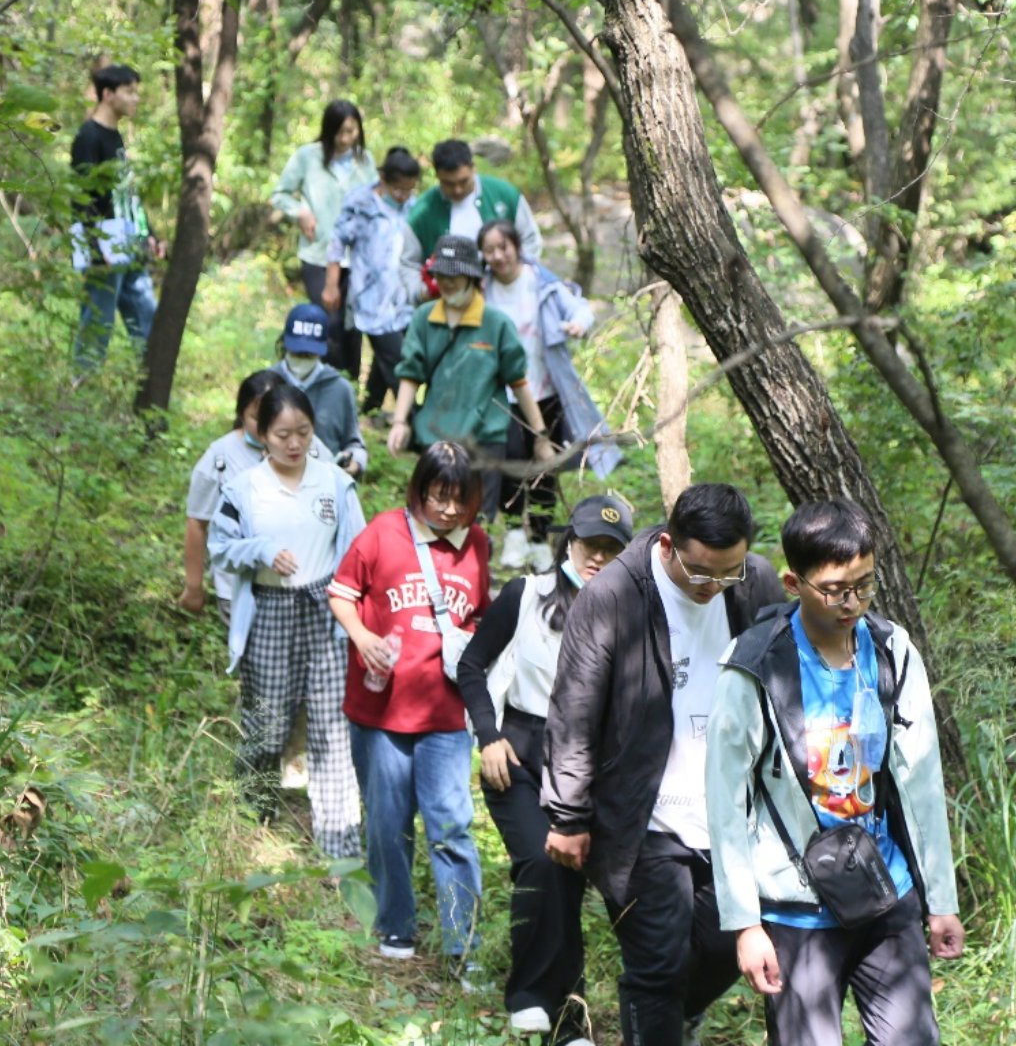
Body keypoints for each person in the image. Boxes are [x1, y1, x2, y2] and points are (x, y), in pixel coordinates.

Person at [705, 500, 963, 1046]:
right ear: (792, 583)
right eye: (834, 590)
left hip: (884, 888)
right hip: (795, 907)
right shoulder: (754, 666)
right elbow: (726, 803)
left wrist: (941, 901)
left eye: (864, 585)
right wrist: (746, 925)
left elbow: (921, 781)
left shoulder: (892, 651)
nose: (852, 603)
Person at [543, 483, 783, 1046]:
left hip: (729, 814)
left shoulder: (753, 582)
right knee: (658, 965)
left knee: (728, 944)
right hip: (641, 816)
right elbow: (575, 707)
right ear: (669, 545)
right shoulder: (614, 595)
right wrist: (569, 814)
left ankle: (674, 1015)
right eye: (701, 573)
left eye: (727, 573)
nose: (713, 587)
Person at [455, 495, 635, 1045]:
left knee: (566, 877)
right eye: (589, 545)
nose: (598, 557)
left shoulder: (632, 610)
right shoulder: (526, 594)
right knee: (541, 860)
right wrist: (487, 735)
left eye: (611, 549)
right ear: (569, 542)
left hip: (587, 762)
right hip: (520, 751)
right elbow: (471, 665)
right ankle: (533, 999)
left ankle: (564, 1017)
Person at [327, 442, 491, 974]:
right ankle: (395, 924)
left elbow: (480, 613)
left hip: (445, 715)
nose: (448, 510)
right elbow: (341, 593)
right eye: (438, 497)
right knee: (386, 824)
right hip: (380, 712)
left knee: (451, 829)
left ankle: (462, 945)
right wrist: (362, 637)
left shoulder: (476, 544)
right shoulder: (382, 532)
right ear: (419, 490)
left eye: (459, 500)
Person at [208, 383, 365, 860]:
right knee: (268, 723)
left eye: (303, 432)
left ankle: (339, 843)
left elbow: (358, 550)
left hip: (325, 610)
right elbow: (220, 547)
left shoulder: (335, 483)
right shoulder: (244, 489)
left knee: (331, 727)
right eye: (282, 435)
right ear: (261, 434)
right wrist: (260, 551)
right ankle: (251, 820)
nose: (294, 444)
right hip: (269, 609)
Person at [479, 220, 621, 572]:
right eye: (490, 250)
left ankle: (540, 538)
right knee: (512, 461)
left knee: (546, 465)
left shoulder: (540, 283)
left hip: (545, 387)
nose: (498, 256)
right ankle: (514, 533)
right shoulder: (482, 288)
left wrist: (578, 325)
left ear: (516, 246)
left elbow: (580, 308)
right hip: (502, 392)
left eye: (503, 247)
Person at [385, 236, 555, 521]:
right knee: (432, 515)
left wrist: (540, 437)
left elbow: (519, 383)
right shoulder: (424, 318)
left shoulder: (496, 323)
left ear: (471, 277)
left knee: (476, 520)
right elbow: (411, 374)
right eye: (441, 274)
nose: (447, 282)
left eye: (454, 275)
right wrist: (400, 422)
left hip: (484, 441)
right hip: (435, 438)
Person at [180, 369, 336, 619]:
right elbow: (197, 523)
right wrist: (194, 586)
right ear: (241, 414)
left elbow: (338, 510)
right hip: (240, 592)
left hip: (308, 587)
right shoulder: (220, 459)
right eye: (257, 417)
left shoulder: (311, 449)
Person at [272, 100, 377, 377]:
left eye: (351, 132)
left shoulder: (365, 161)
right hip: (318, 253)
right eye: (339, 132)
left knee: (352, 327)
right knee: (328, 323)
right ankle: (328, 381)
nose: (345, 139)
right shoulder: (307, 156)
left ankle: (350, 388)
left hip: (356, 258)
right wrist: (301, 212)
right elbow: (280, 195)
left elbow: (377, 201)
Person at [70, 63, 163, 370]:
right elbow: (81, 197)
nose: (136, 98)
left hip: (129, 236)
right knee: (98, 321)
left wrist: (149, 233)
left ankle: (149, 384)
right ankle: (83, 383)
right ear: (108, 95)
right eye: (129, 91)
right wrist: (95, 249)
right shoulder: (88, 137)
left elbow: (125, 193)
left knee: (145, 315)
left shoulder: (115, 136)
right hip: (105, 240)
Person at [327, 146, 422, 419]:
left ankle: (370, 410)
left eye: (409, 189)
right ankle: (413, 422)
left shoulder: (414, 206)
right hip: (370, 298)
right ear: (383, 179)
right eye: (398, 189)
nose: (403, 195)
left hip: (404, 298)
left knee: (388, 358)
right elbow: (337, 243)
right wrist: (331, 284)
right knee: (397, 361)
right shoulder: (361, 203)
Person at [400, 139, 543, 289]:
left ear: (473, 168)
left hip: (506, 289)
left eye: (463, 181)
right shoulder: (423, 211)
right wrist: (422, 292)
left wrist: (516, 275)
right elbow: (408, 263)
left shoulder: (504, 195)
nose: (457, 190)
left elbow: (530, 240)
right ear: (437, 175)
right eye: (449, 184)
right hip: (448, 296)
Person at [274, 304, 366, 479]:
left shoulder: (340, 389)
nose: (302, 358)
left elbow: (354, 443)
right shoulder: (268, 384)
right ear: (284, 343)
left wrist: (355, 464)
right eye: (297, 352)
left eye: (308, 354)